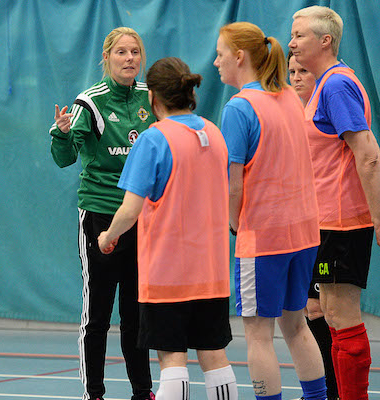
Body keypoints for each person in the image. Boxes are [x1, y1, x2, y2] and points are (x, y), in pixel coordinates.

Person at [97, 56, 238, 400]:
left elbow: (130, 209)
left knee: (171, 357)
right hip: (212, 271)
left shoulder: (153, 139)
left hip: (168, 273)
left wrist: (107, 236)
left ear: (153, 98)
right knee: (214, 355)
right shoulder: (214, 133)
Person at [289, 6, 380, 400]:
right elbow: (352, 152)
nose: (292, 42)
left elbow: (366, 151)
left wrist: (376, 216)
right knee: (330, 317)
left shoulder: (336, 84)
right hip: (325, 221)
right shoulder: (324, 85)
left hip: (340, 223)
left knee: (342, 318)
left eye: (299, 34)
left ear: (325, 41)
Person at [214, 22, 327, 400]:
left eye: (221, 54)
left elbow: (234, 182)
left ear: (240, 57)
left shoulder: (239, 107)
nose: (216, 62)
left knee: (258, 335)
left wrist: (234, 225)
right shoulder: (290, 98)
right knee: (297, 327)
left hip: (264, 237)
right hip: (304, 233)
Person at [49, 26, 154, 400]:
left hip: (140, 219)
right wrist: (62, 134)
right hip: (100, 216)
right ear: (106, 58)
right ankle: (94, 393)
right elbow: (65, 158)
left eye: (135, 53)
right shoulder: (89, 102)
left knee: (136, 315)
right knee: (97, 316)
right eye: (122, 52)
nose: (130, 59)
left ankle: (143, 391)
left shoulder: (150, 98)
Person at [288, 49, 338, 400]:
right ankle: (322, 390)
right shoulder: (289, 114)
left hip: (329, 224)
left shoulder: (325, 110)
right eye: (292, 72)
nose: (297, 77)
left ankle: (333, 390)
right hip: (300, 226)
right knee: (309, 307)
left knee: (325, 308)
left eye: (304, 71)